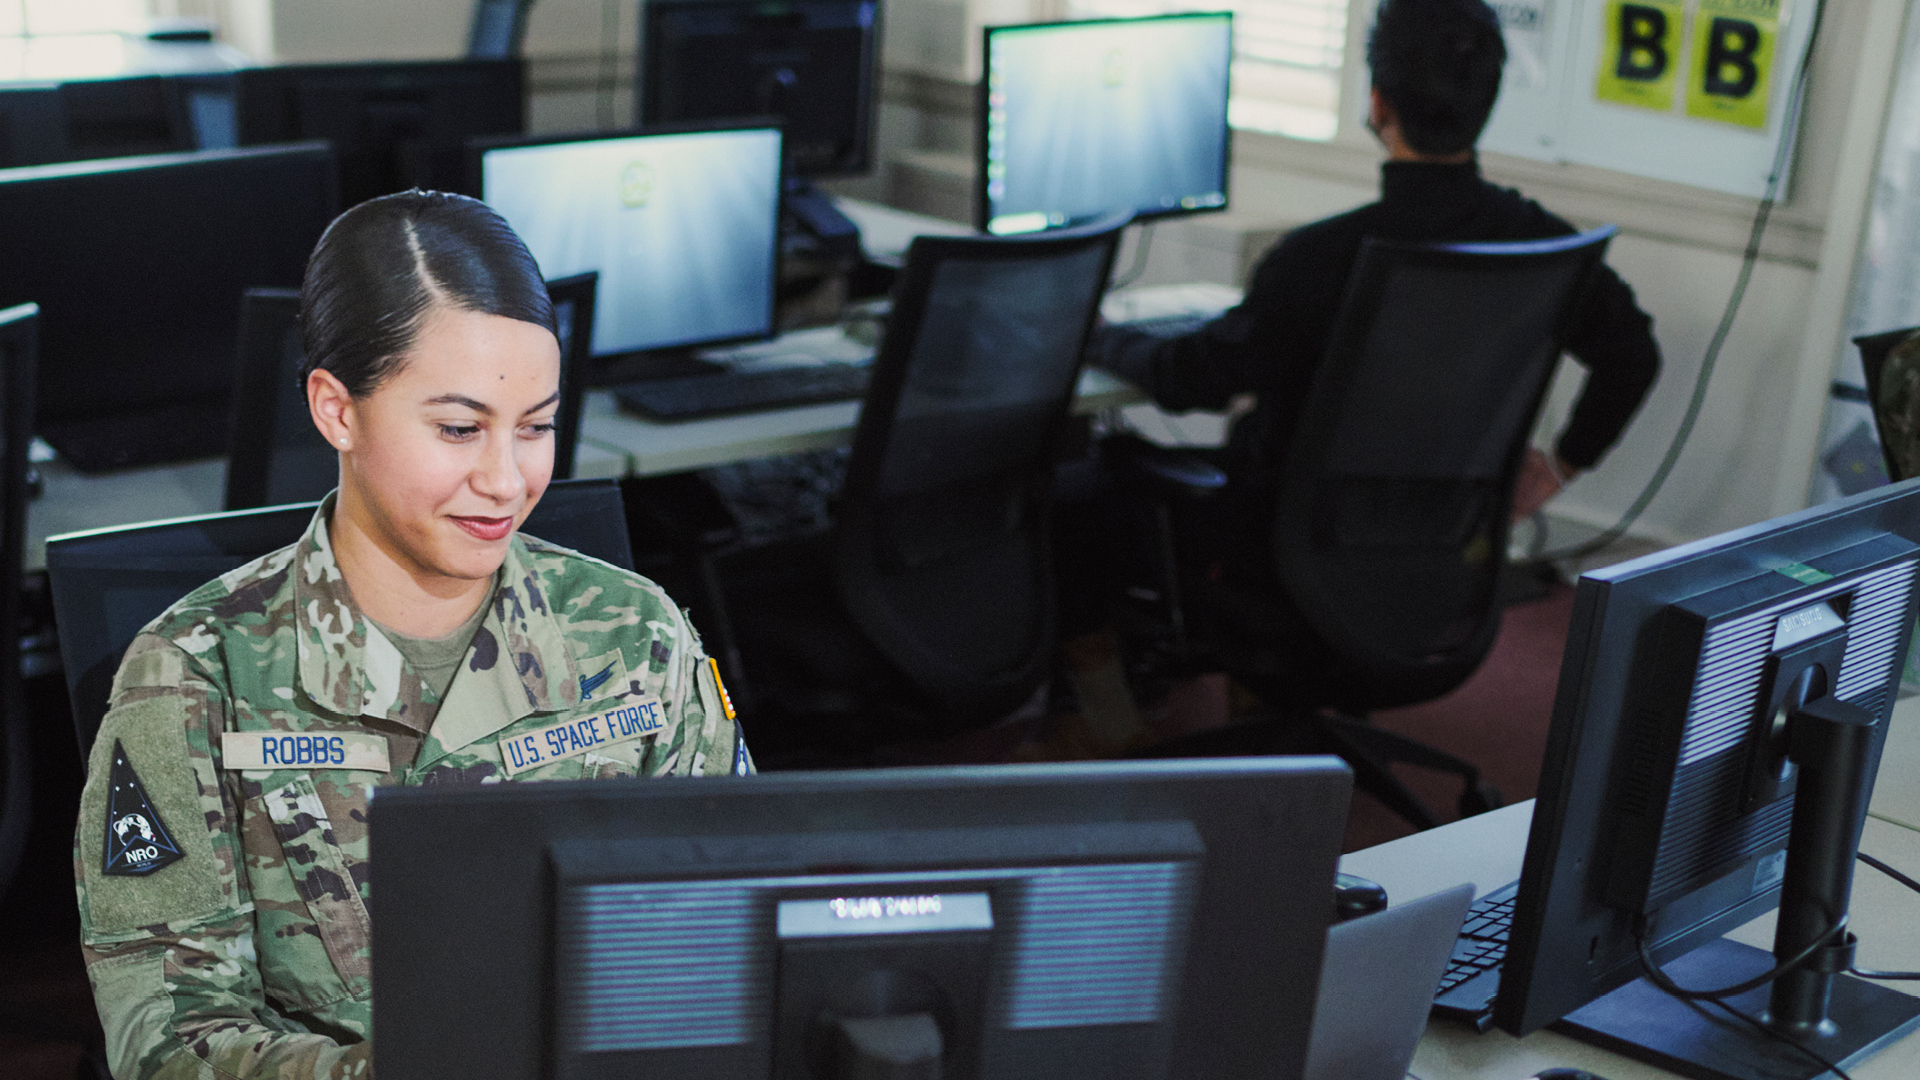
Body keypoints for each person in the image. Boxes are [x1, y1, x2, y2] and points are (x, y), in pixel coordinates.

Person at [72, 191, 752, 1079]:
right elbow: (169, 1041)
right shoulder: (193, 678)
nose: (506, 480)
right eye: (459, 429)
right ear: (336, 411)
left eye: (538, 427)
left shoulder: (638, 635)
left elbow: (728, 932)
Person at [1092, 0, 1661, 532]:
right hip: (1442, 550)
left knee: (1089, 478)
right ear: (1487, 101)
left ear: (1377, 101)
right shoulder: (1539, 244)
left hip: (1280, 544)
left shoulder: (1317, 258)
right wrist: (1564, 464)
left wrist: (1098, 338)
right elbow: (1632, 353)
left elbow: (1190, 377)